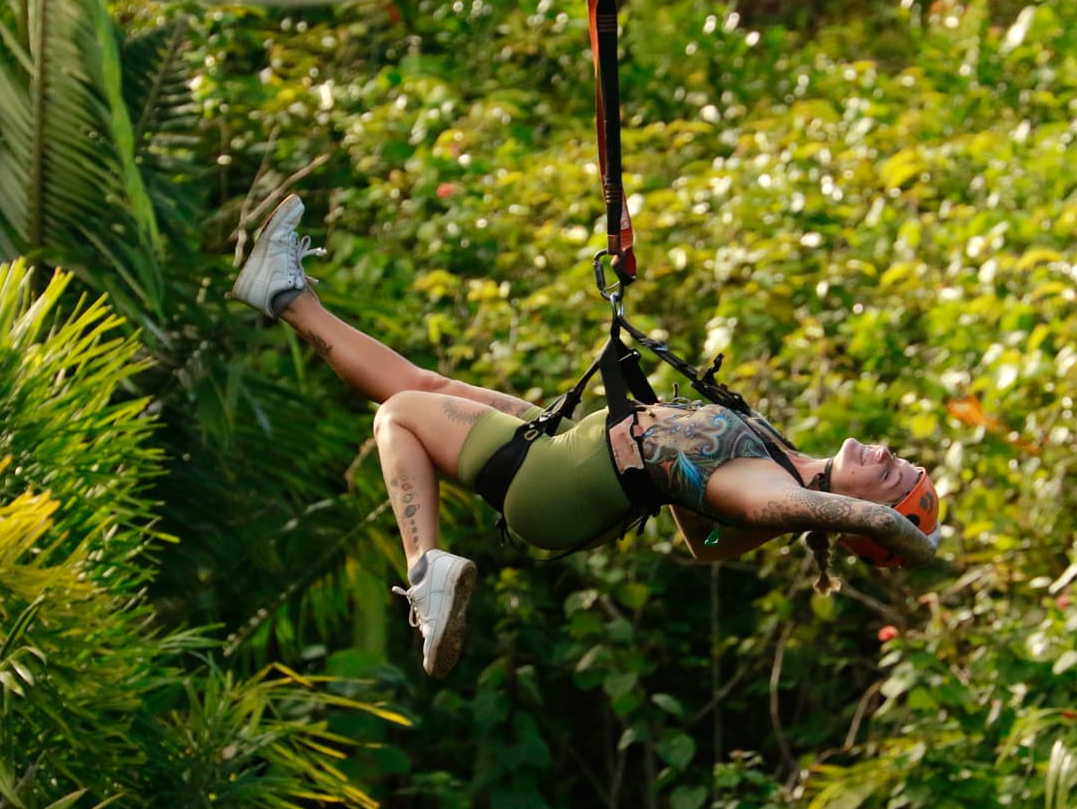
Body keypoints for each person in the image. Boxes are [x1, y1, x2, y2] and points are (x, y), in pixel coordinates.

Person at [232, 193, 942, 678]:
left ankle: (426, 574)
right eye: (900, 462)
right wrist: (677, 477)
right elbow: (704, 539)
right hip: (571, 452)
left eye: (892, 477)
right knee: (426, 388)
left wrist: (885, 524)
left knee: (400, 417)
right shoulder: (777, 461)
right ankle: (285, 293)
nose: (886, 455)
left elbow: (773, 512)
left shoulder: (773, 491)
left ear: (858, 525)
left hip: (555, 486)